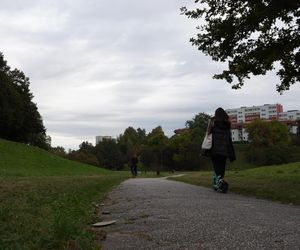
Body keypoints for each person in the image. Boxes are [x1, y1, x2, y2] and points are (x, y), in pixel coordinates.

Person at [209, 107, 236, 193]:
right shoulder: (227, 124)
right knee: (221, 168)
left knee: (216, 168)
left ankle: (220, 184)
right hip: (224, 150)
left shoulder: (213, 123)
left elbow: (208, 133)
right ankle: (218, 184)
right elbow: (229, 138)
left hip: (215, 149)